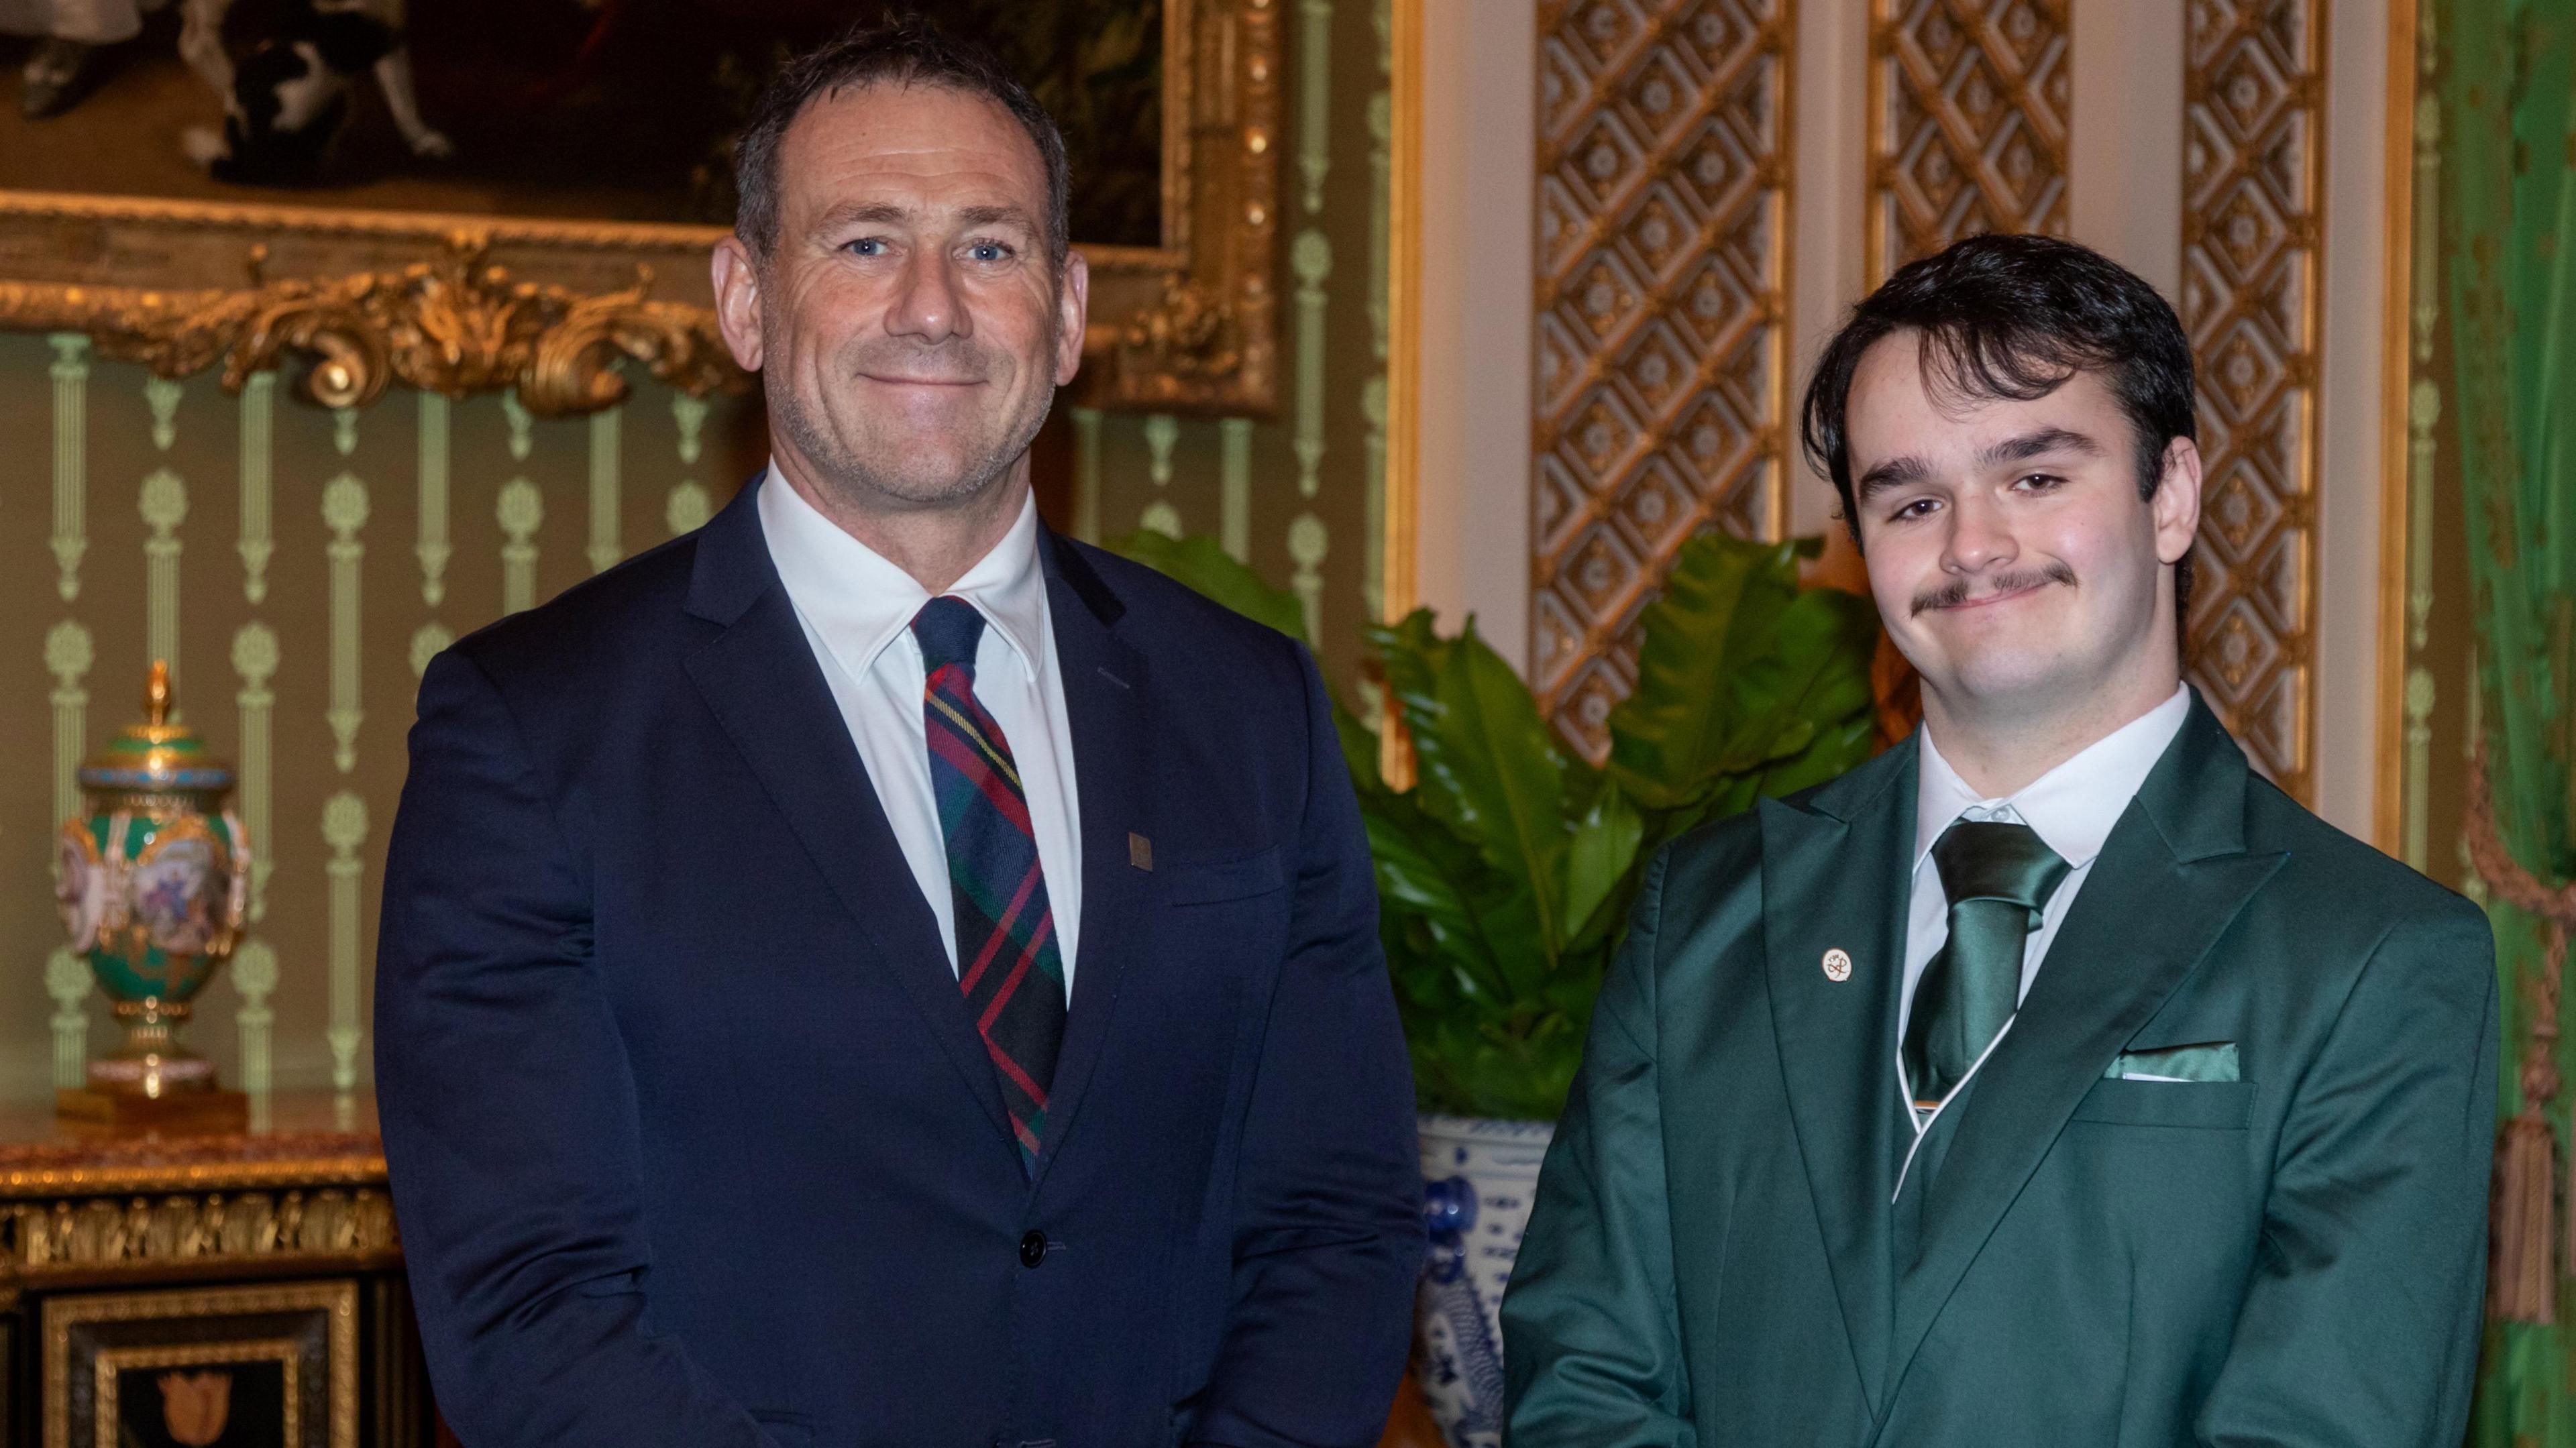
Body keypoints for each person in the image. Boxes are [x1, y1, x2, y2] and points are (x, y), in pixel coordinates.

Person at [374, 19, 1423, 1448]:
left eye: (989, 249)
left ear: (1066, 315)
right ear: (745, 301)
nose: (931, 306)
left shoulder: (1251, 708)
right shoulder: (533, 730)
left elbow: (1338, 1225)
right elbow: (529, 1306)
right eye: (864, 243)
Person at [1501, 233, 2498, 1446]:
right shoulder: (1706, 917)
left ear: (2170, 493)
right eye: (1912, 499)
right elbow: (1587, 1382)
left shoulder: (2375, 957)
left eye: (2035, 478)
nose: (1970, 545)